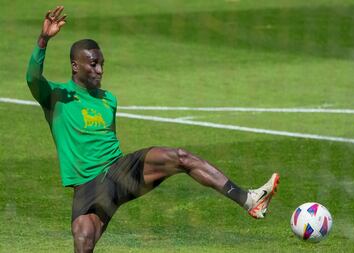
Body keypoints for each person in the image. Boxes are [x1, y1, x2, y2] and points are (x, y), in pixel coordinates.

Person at [26, 6, 280, 253]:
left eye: (102, 64)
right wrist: (42, 40)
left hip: (117, 172)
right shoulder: (56, 97)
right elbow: (32, 78)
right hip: (86, 188)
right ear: (75, 66)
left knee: (180, 157)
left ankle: (249, 198)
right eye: (93, 64)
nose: (100, 70)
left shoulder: (107, 99)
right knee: (84, 242)